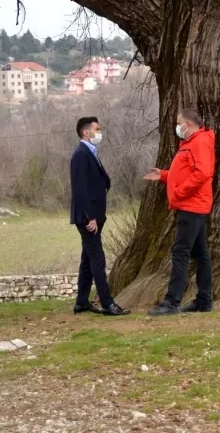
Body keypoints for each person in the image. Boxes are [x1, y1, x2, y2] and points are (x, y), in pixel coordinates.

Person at [143, 108, 215, 315]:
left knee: (181, 252)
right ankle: (204, 300)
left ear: (188, 125)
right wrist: (165, 175)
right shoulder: (191, 143)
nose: (177, 127)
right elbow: (185, 172)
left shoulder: (199, 142)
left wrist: (179, 192)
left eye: (178, 123)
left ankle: (172, 301)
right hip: (193, 204)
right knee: (200, 253)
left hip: (191, 205)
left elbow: (202, 173)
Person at [70, 116, 130, 317]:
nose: (99, 132)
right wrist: (89, 217)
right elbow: (79, 190)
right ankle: (107, 303)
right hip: (88, 218)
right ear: (86, 132)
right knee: (97, 257)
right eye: (97, 129)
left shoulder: (91, 153)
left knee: (87, 257)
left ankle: (81, 301)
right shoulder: (80, 155)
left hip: (96, 215)